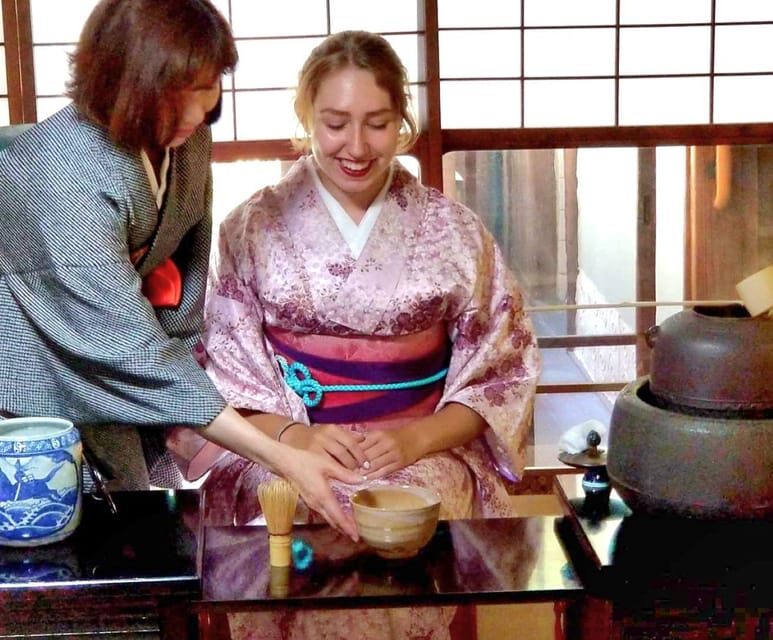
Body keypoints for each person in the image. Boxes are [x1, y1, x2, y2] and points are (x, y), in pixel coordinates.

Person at [200, 30, 540, 640]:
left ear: (402, 121)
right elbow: (226, 369)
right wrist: (295, 437)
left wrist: (415, 439)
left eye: (378, 123)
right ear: (306, 117)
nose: (355, 146)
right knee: (285, 501)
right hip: (288, 443)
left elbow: (501, 373)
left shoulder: (453, 230)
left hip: (421, 445)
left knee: (407, 514)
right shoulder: (249, 227)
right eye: (334, 123)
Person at [0, 0, 361, 540]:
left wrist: (180, 398)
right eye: (179, 93)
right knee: (52, 563)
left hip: (129, 370)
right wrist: (283, 456)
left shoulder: (186, 140)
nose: (197, 114)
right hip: (30, 385)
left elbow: (187, 274)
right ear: (123, 80)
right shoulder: (57, 172)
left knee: (143, 551)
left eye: (208, 86)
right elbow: (129, 351)